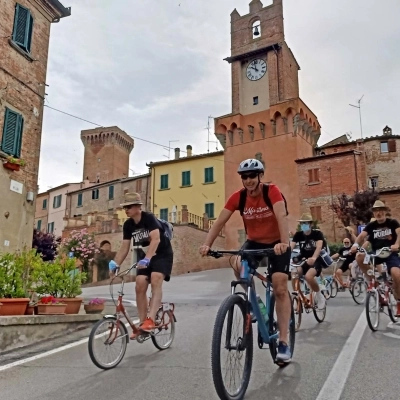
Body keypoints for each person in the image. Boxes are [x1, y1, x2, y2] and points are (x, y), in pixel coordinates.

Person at [199, 158, 292, 363]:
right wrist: (207, 244)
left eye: (252, 176)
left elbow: (282, 216)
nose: (248, 180)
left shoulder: (271, 191)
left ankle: (284, 341)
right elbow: (219, 222)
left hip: (277, 243)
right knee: (237, 261)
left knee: (280, 287)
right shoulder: (239, 197)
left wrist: (284, 242)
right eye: (244, 177)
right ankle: (253, 300)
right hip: (254, 242)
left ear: (260, 176)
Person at [109, 193, 174, 338]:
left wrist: (147, 259)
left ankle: (150, 320)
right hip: (147, 256)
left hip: (162, 254)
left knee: (156, 278)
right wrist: (115, 263)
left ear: (138, 207)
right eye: (125, 207)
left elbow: (156, 240)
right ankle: (143, 323)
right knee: (139, 283)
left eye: (129, 206)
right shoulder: (128, 225)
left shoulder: (148, 218)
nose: (126, 209)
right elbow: (125, 247)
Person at [351, 200, 400, 315]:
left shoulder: (392, 223)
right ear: (373, 213)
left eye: (381, 210)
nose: (378, 213)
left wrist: (397, 244)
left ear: (385, 211)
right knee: (359, 256)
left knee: (396, 275)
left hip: (390, 253)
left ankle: (399, 302)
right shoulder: (371, 226)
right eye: (376, 211)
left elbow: (399, 233)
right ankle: (372, 281)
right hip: (376, 254)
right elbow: (362, 236)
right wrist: (355, 245)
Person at [290, 214, 327, 310]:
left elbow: (319, 247)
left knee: (308, 276)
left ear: (310, 224)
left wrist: (314, 258)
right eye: (302, 223)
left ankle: (320, 296)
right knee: (294, 273)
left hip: (316, 260)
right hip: (304, 260)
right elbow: (290, 247)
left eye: (305, 223)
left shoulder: (317, 234)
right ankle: (297, 297)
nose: (303, 225)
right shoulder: (298, 235)